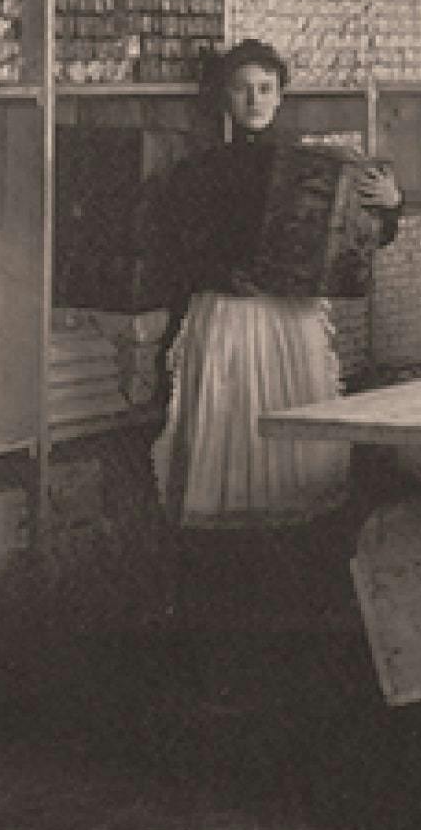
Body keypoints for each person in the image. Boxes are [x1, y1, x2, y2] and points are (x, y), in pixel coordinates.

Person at [151, 39, 404, 526]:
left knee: (292, 414)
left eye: (265, 89)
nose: (254, 101)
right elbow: (176, 248)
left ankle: (289, 536)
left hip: (291, 315)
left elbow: (366, 239)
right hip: (229, 312)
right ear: (225, 98)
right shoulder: (200, 169)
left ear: (281, 95)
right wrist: (225, 275)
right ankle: (231, 535)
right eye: (242, 89)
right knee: (232, 416)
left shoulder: (317, 168)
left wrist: (390, 204)